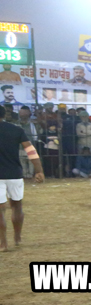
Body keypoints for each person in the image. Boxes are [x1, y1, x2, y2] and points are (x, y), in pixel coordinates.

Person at [0, 106, 44, 251]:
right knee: (17, 206)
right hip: (14, 173)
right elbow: (31, 150)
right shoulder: (16, 130)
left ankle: (3, 243)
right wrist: (39, 170)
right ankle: (17, 237)